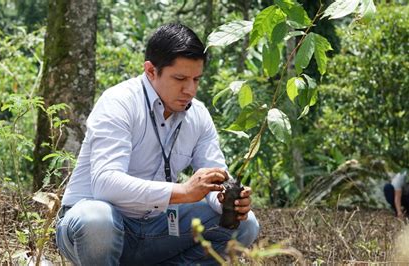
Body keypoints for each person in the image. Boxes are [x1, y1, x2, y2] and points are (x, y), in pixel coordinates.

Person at [55, 23, 260, 265]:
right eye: (180, 79)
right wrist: (183, 192)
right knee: (96, 220)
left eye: (196, 79)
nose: (190, 90)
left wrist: (227, 200)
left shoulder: (198, 115)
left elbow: (215, 179)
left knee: (246, 225)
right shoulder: (118, 102)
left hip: (157, 227)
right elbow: (105, 184)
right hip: (96, 228)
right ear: (151, 71)